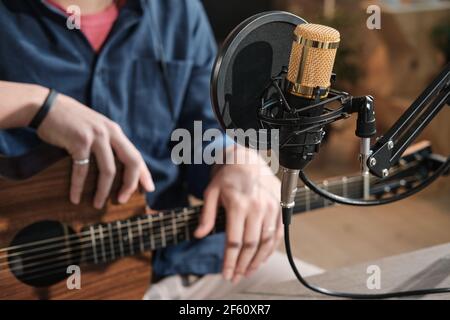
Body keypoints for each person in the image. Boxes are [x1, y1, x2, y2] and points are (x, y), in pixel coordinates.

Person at [0, 0, 322, 299]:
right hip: (41, 282)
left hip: (180, 262)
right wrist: (37, 105)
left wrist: (233, 157)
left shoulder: (177, 9)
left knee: (340, 289)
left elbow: (200, 130)